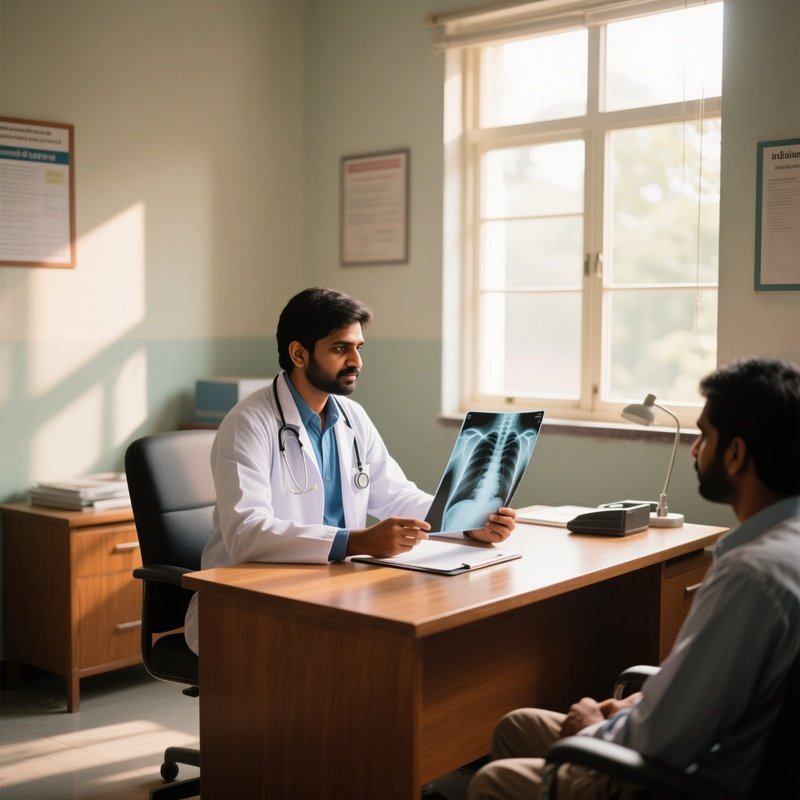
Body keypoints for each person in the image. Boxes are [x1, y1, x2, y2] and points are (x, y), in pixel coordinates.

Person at [468, 356, 800, 800]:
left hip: (693, 778)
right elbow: (714, 683)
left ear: (736, 454)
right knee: (519, 725)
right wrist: (635, 703)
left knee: (493, 781)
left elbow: (664, 740)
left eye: (704, 436)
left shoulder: (752, 574)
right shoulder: (784, 546)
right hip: (718, 747)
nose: (695, 450)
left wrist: (592, 730)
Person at [185, 287, 517, 654]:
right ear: (299, 353)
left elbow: (395, 495)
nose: (357, 361)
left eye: (360, 347)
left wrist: (468, 524)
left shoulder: (351, 416)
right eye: (341, 348)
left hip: (333, 584)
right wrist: (357, 541)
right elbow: (246, 532)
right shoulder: (249, 422)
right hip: (249, 597)